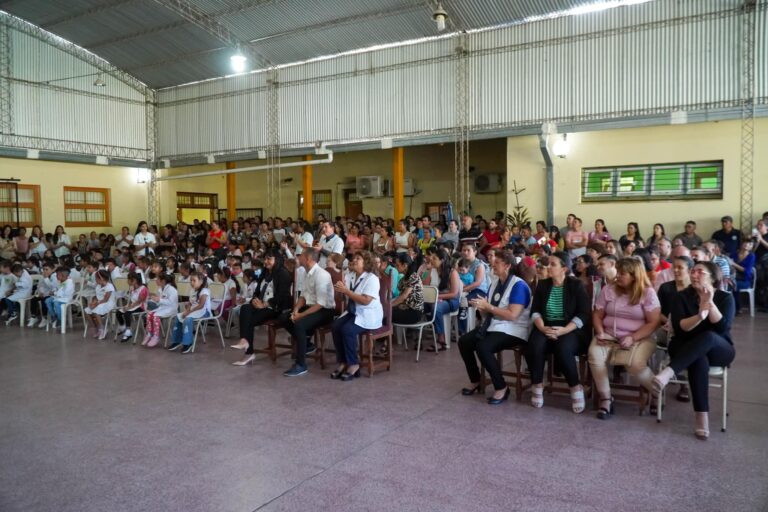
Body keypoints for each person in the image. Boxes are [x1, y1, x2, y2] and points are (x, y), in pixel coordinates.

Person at [653, 261, 736, 440]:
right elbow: (681, 328)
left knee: (709, 337)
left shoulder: (725, 297)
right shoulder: (681, 296)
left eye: (700, 272)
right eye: (693, 271)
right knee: (698, 359)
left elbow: (722, 328)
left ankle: (669, 372)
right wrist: (699, 316)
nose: (694, 275)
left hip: (719, 349)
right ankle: (701, 417)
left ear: (713, 278)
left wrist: (709, 303)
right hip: (684, 345)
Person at [588, 258, 661, 419]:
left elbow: (653, 322)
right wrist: (599, 331)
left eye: (622, 274)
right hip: (609, 334)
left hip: (640, 337)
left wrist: (633, 337)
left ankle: (656, 392)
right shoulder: (609, 289)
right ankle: (606, 398)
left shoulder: (647, 293)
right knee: (594, 355)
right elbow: (598, 315)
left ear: (634, 276)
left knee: (634, 364)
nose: (617, 277)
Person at [458, 249, 532, 405]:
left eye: (497, 262)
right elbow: (491, 310)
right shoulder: (495, 283)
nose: (492, 264)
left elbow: (512, 315)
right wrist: (482, 308)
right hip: (495, 325)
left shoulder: (519, 285)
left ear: (506, 266)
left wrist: (488, 307)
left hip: (514, 329)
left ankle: (501, 386)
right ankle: (476, 380)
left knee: (483, 347)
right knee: (464, 342)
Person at [526, 252, 591, 413]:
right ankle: (537, 384)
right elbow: (535, 311)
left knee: (563, 348)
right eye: (548, 263)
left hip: (570, 329)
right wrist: (542, 328)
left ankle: (575, 387)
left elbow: (584, 314)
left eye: (553, 264)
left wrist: (563, 330)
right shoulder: (543, 284)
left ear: (564, 268)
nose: (548, 267)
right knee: (535, 344)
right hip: (546, 325)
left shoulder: (575, 285)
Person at [279, 248, 335, 376]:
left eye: (301, 256)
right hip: (311, 307)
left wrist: (300, 316)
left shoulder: (321, 274)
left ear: (308, 259)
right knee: (284, 318)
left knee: (299, 324)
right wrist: (296, 310)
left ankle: (301, 365)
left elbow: (320, 303)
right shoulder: (305, 272)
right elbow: (303, 296)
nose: (299, 257)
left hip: (325, 311)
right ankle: (307, 343)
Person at [231, 252, 293, 365]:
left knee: (248, 320)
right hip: (261, 305)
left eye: (269, 259)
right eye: (265, 259)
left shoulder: (283, 274)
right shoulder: (265, 273)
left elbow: (282, 295)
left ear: (277, 260)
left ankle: (248, 353)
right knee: (245, 308)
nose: (266, 262)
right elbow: (257, 291)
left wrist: (265, 304)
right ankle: (244, 341)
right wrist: (255, 300)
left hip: (275, 308)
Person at [330, 251, 382, 381]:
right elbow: (343, 297)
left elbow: (365, 300)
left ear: (366, 263)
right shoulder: (350, 275)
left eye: (358, 258)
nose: (354, 260)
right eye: (353, 258)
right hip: (354, 311)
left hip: (368, 314)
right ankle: (343, 362)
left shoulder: (372, 278)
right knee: (335, 326)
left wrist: (346, 291)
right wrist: (339, 292)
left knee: (347, 330)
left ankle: (353, 364)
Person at [168, 271, 211, 354]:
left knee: (187, 319)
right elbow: (191, 303)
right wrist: (187, 308)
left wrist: (189, 312)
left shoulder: (205, 291)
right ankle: (177, 341)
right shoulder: (192, 290)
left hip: (204, 311)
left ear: (201, 281)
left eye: (194, 280)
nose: (192, 282)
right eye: (191, 280)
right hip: (194, 310)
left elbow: (201, 305)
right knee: (178, 317)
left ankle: (188, 343)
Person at [427, 248, 461, 351]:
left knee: (436, 308)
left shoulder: (452, 272)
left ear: (442, 260)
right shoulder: (432, 270)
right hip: (435, 298)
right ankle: (416, 336)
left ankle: (441, 339)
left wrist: (437, 297)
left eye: (434, 258)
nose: (431, 260)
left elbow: (454, 293)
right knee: (419, 306)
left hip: (451, 301)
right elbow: (426, 286)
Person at [142, 273, 179, 347]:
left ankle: (156, 336)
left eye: (158, 279)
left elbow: (171, 303)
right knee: (149, 314)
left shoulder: (172, 290)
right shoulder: (159, 289)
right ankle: (149, 334)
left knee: (155, 316)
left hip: (171, 309)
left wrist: (159, 300)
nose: (156, 280)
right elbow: (159, 303)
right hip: (163, 308)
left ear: (163, 281)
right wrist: (154, 299)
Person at [391, 253, 424, 325]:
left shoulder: (413, 277)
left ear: (405, 265)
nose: (396, 267)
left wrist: (390, 305)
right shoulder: (404, 278)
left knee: (386, 314)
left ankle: (386, 335)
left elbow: (403, 296)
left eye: (398, 265)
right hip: (404, 308)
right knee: (384, 312)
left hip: (414, 312)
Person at [83, 269, 117, 341]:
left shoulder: (109, 286)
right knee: (87, 310)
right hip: (99, 303)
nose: (95, 280)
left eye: (96, 278)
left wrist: (96, 304)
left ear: (101, 278)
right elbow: (96, 297)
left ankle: (102, 329)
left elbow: (106, 299)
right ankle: (95, 327)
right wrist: (93, 303)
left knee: (96, 311)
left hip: (108, 303)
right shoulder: (98, 286)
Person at [115, 272, 148, 342]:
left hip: (141, 307)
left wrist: (129, 308)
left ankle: (128, 331)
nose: (127, 281)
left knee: (127, 313)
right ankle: (122, 326)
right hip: (133, 305)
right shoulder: (132, 288)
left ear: (135, 280)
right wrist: (127, 306)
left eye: (129, 280)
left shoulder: (143, 288)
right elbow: (131, 300)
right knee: (118, 312)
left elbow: (139, 301)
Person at [731, 239, 756, 313]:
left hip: (745, 280)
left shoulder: (751, 256)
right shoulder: (734, 254)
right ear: (742, 244)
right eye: (745, 243)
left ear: (752, 247)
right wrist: (732, 267)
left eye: (750, 244)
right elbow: (729, 265)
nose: (747, 245)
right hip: (733, 277)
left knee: (732, 284)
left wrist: (734, 264)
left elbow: (747, 271)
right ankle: (733, 307)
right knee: (728, 283)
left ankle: (737, 308)